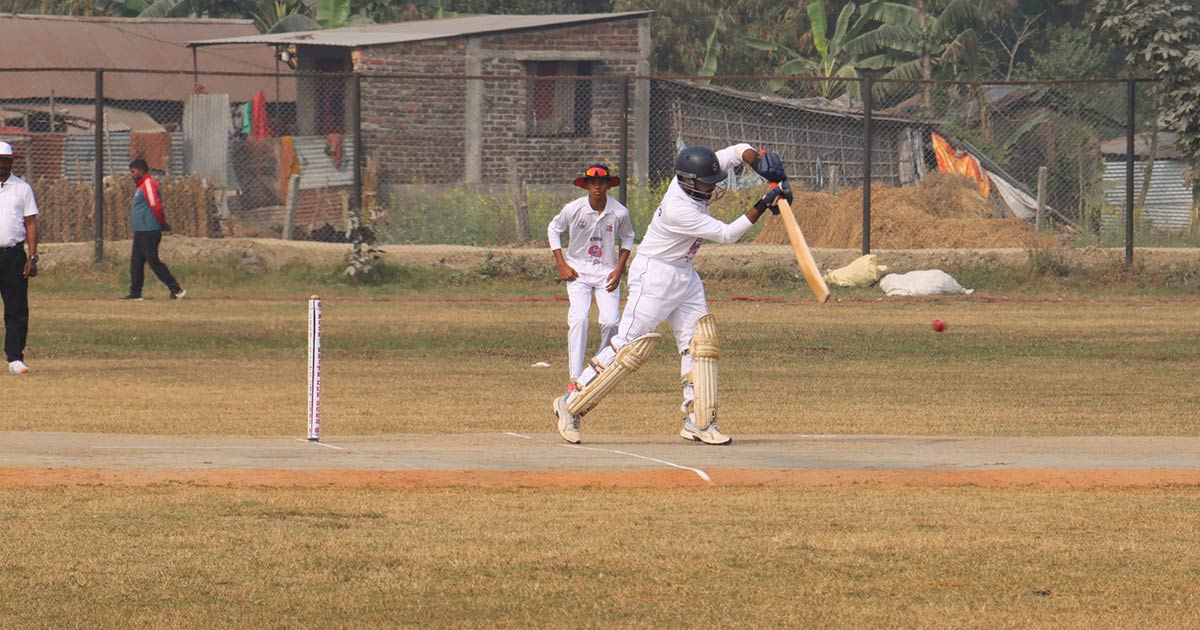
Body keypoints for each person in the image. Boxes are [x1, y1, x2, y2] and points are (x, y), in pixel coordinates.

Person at [552, 144, 791, 445]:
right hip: (655, 275)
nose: (713, 187)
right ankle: (570, 402)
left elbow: (738, 151)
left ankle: (698, 420)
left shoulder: (697, 174)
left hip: (684, 273)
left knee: (700, 344)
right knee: (627, 347)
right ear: (690, 182)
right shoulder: (680, 208)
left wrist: (760, 165)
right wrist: (765, 201)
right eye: (708, 183)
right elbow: (728, 234)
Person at [547, 164, 635, 394]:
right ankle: (575, 377)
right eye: (592, 182)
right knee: (579, 319)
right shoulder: (574, 208)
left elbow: (627, 238)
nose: (597, 187)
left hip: (606, 272)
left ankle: (599, 369)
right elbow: (554, 229)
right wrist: (561, 263)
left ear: (608, 185)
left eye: (602, 182)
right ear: (585, 185)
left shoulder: (619, 212)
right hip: (577, 271)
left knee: (610, 322)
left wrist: (619, 268)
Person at [0, 141, 39, 374]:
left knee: (16, 308)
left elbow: (30, 223)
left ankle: (15, 358)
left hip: (13, 254)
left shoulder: (22, 188)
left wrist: (32, 257)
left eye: (6, 161)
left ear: (12, 162)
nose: (2, 165)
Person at [123, 158, 185, 301]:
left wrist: (162, 223)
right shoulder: (141, 186)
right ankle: (135, 293)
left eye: (133, 171)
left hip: (149, 230)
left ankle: (176, 290)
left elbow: (155, 205)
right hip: (141, 231)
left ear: (141, 171)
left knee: (153, 261)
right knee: (136, 262)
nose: (132, 175)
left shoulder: (148, 184)